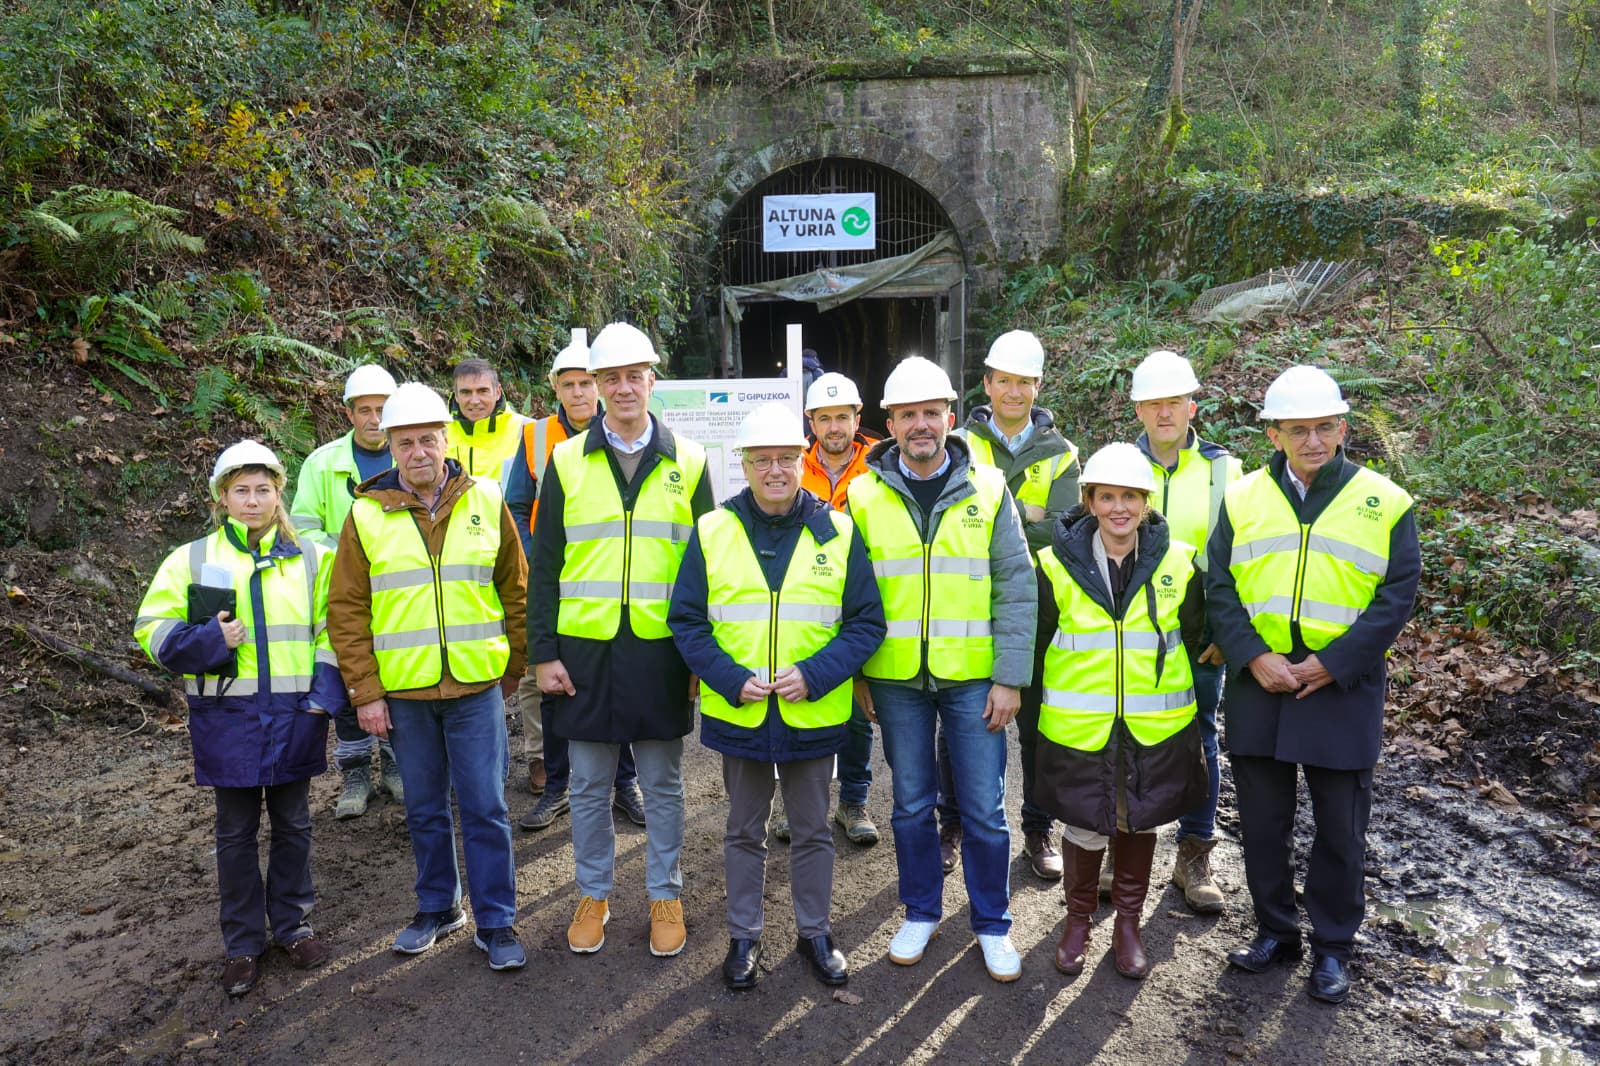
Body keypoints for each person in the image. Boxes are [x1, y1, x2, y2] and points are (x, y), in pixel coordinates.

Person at [1208, 365, 1420, 1005]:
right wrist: (1251, 656)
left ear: (1343, 428)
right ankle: (1276, 930)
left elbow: (1397, 593)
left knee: (1339, 826)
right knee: (1263, 822)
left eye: (1325, 427)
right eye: (1298, 430)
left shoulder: (1384, 499)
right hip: (1262, 682)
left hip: (1341, 686)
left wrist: (1336, 661)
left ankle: (1332, 947)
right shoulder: (1242, 497)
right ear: (1272, 434)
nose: (1314, 441)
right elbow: (1220, 586)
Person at [669, 403, 886, 991]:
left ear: (801, 459)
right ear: (744, 464)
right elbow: (686, 620)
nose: (774, 470)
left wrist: (815, 674)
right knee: (744, 828)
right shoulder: (715, 529)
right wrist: (726, 677)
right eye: (761, 460)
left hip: (810, 712)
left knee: (813, 829)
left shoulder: (836, 531)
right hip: (739, 709)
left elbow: (866, 623)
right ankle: (744, 935)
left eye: (785, 458)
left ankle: (815, 931)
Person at [846, 355, 1036, 983]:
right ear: (890, 423)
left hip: (973, 679)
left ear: (950, 418)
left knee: (984, 808)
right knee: (909, 804)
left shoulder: (987, 487)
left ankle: (991, 924)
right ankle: (921, 911)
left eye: (931, 413)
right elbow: (852, 595)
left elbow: (1016, 581)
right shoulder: (863, 493)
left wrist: (1009, 675)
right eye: (908, 415)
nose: (920, 425)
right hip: (896, 677)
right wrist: (861, 673)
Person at [327, 382, 529, 972]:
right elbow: (346, 611)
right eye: (405, 441)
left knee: (486, 805)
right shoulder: (364, 516)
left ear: (447, 439)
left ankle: (496, 919)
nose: (418, 451)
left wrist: (512, 667)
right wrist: (365, 692)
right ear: (390, 446)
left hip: (475, 686)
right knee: (422, 806)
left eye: (428, 438)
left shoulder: (487, 500)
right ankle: (439, 906)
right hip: (406, 692)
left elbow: (515, 590)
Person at [530, 322, 714, 959]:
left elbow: (707, 569)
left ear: (652, 381)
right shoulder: (565, 461)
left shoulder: (688, 462)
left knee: (662, 782)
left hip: (661, 649)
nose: (624, 387)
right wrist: (544, 652)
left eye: (635, 375)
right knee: (585, 783)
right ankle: (593, 892)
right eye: (612, 377)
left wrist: (700, 659)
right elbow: (546, 561)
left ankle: (665, 891)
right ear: (596, 387)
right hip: (583, 650)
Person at [135, 440, 343, 997]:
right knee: (235, 833)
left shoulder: (312, 559)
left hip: (297, 713)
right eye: (241, 491)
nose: (253, 501)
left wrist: (322, 699)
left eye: (263, 490)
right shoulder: (192, 559)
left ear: (280, 495)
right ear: (221, 498)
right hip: (226, 720)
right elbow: (151, 630)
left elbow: (333, 632)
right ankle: (244, 944)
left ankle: (295, 929)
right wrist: (209, 639)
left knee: (295, 826)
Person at [1031, 443, 1207, 980]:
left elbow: (1195, 633)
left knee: (1138, 819)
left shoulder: (1178, 562)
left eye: (1130, 496)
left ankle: (1128, 924)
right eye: (1106, 496)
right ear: (1088, 501)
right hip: (1080, 724)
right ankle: (1078, 921)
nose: (1119, 508)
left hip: (1154, 724)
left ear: (1147, 502)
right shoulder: (1054, 564)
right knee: (1086, 824)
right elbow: (1038, 642)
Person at [945, 329, 1082, 882]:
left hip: (1040, 603)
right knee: (960, 716)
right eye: (1004, 381)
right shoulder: (960, 442)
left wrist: (1009, 521)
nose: (1014, 392)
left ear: (1038, 386)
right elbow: (951, 521)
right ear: (987, 384)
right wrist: (1028, 515)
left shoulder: (1062, 453)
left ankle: (1036, 826)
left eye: (1024, 382)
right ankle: (951, 822)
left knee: (1033, 725)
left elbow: (1070, 530)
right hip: (968, 600)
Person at [505, 331, 645, 833]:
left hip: (613, 585)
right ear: (557, 390)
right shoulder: (538, 439)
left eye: (589, 382)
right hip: (559, 584)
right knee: (557, 691)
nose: (581, 393)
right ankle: (558, 787)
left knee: (622, 685)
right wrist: (535, 553)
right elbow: (516, 506)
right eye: (571, 384)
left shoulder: (634, 438)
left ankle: (624, 784)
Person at [1128, 349, 1243, 913]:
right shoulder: (1119, 464)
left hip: (1198, 627)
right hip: (1125, 625)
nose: (1164, 412)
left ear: (1191, 405)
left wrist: (1227, 630)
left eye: (1174, 401)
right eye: (1153, 402)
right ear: (1139, 411)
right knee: (1124, 732)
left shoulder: (1224, 469)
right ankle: (1120, 849)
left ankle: (1193, 856)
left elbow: (1236, 557)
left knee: (1201, 736)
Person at [768, 371, 880, 848]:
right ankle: (800, 803)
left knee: (856, 709)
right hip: (803, 603)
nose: (834, 427)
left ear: (858, 419)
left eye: (843, 417)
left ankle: (853, 801)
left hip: (859, 599)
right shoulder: (793, 464)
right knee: (798, 701)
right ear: (810, 421)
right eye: (824, 418)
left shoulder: (881, 466)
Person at [289, 363, 403, 819]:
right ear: (350, 413)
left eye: (381, 410)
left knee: (395, 674)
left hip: (397, 589)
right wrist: (346, 552)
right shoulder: (322, 463)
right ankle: (355, 772)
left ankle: (395, 765)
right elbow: (301, 527)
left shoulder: (407, 453)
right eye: (365, 410)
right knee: (346, 677)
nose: (374, 419)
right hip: (340, 591)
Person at [446, 356, 528, 487]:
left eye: (482, 391)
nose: (474, 400)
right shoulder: (436, 434)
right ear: (456, 396)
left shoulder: (529, 430)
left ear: (498, 392)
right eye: (466, 392)